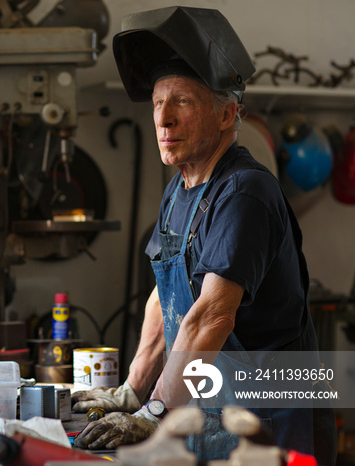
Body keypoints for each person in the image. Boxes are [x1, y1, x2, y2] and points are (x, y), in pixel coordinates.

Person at [71, 6, 336, 464]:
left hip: (268, 417)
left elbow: (210, 317)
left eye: (183, 102)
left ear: (227, 115)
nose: (163, 119)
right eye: (157, 103)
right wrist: (132, 392)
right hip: (211, 406)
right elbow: (166, 300)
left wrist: (155, 411)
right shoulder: (180, 189)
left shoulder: (245, 192)